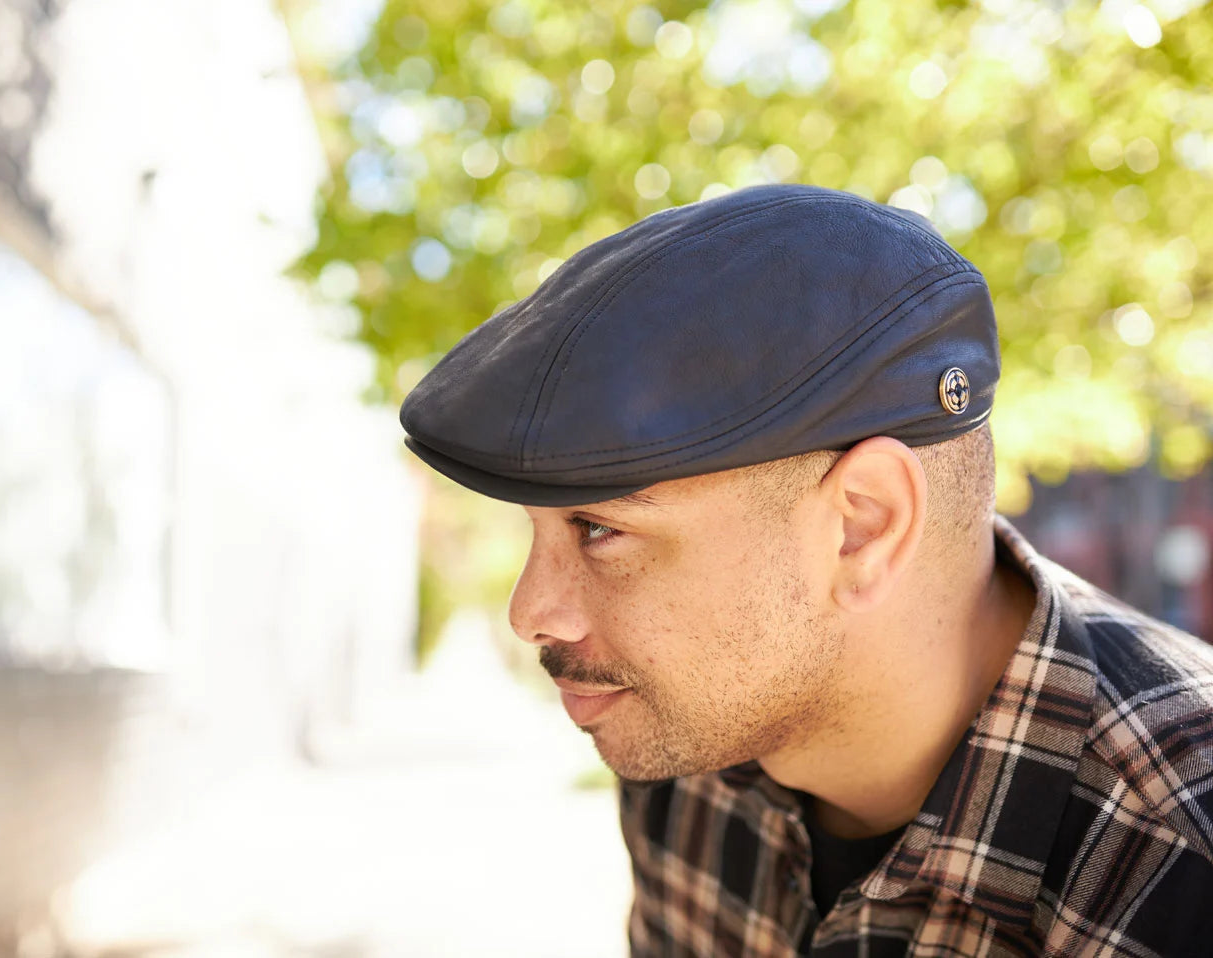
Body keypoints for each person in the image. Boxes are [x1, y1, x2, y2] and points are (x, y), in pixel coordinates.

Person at [398, 184, 1213, 956]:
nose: (532, 611)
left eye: (601, 530)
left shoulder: (1182, 856)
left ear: (862, 526)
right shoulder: (689, 747)